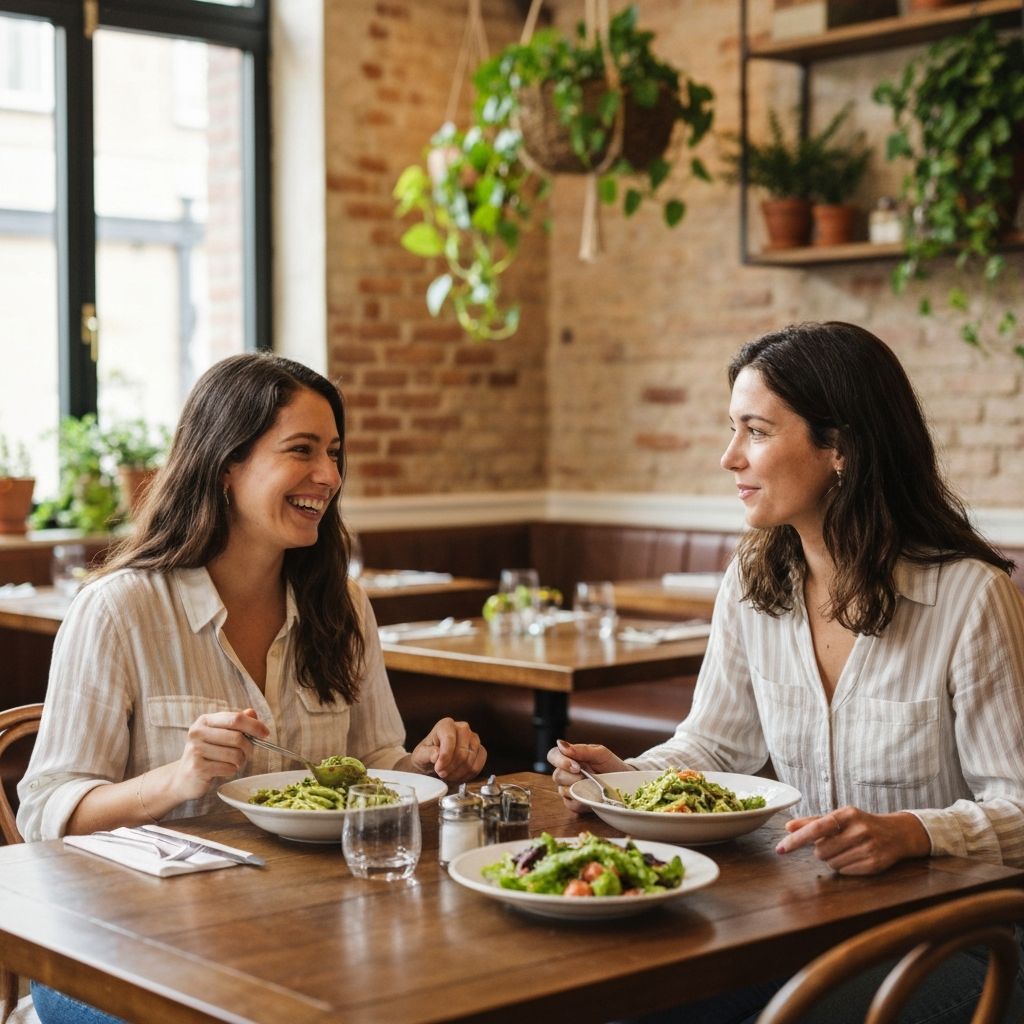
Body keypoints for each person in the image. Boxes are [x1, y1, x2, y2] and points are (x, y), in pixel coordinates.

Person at [549, 322, 1024, 1024]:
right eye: (732, 430)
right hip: (795, 924)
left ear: (842, 449)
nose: (728, 456)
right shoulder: (751, 580)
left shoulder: (969, 596)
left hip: (956, 940)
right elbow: (711, 747)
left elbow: (1018, 805)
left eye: (756, 432)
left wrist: (913, 832)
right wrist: (624, 779)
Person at [18, 353, 488, 1024]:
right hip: (119, 951)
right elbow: (44, 813)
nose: (328, 476)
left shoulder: (342, 603)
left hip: (300, 932)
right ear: (225, 465)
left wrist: (427, 762)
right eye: (301, 451)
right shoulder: (119, 610)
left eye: (333, 453)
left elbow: (379, 765)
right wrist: (177, 778)